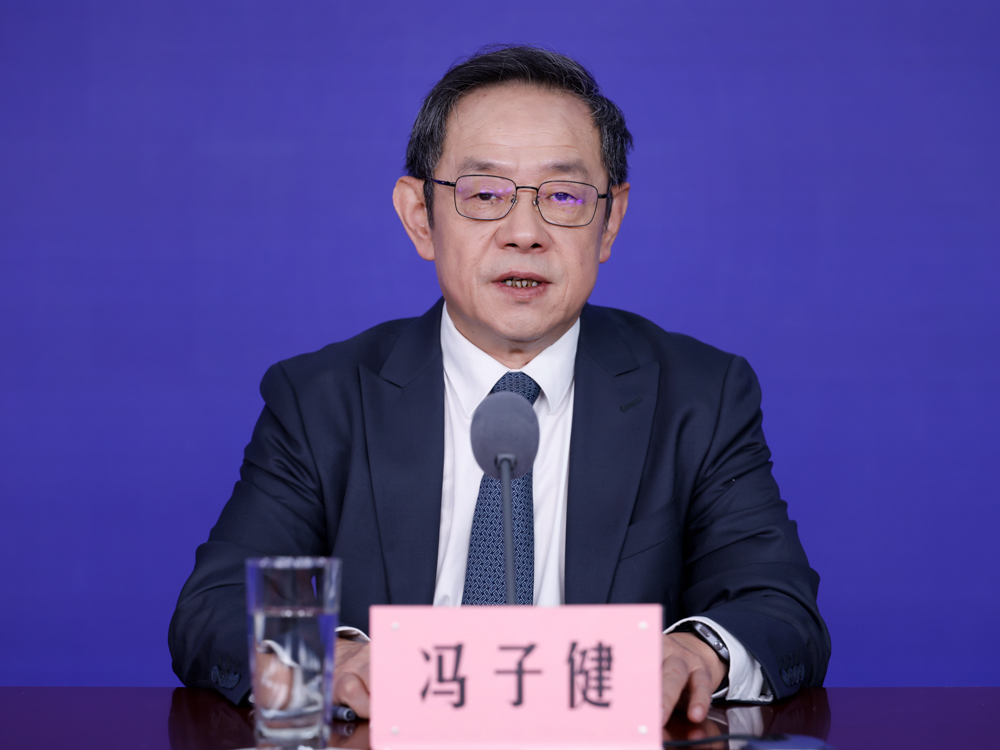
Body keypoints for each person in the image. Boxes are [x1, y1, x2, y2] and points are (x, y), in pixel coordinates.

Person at [169, 44, 830, 725]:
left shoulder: (700, 396)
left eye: (564, 197)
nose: (524, 233)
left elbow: (779, 607)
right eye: (485, 194)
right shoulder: (321, 400)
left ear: (610, 221)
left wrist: (697, 652)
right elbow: (213, 609)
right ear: (420, 217)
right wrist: (329, 660)